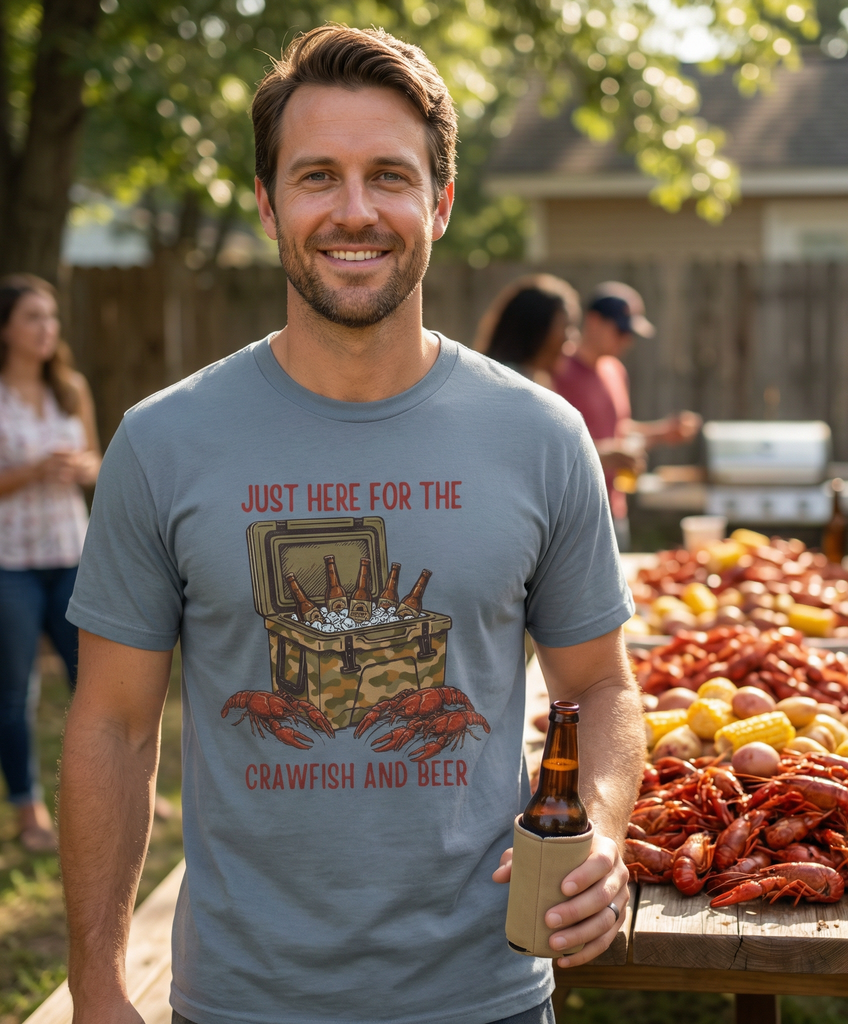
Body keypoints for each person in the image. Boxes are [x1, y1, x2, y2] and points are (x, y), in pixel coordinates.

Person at [59, 25, 645, 1024]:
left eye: (390, 175)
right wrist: (99, 988)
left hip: (486, 993)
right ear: (267, 204)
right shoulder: (163, 442)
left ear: (441, 202)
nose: (355, 209)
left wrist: (599, 829)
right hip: (242, 1001)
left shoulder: (541, 436)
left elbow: (598, 684)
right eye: (317, 175)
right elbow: (111, 725)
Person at [0, 275, 100, 853]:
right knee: (15, 695)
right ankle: (28, 809)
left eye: (52, 317)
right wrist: (33, 471)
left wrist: (80, 468)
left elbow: (95, 460)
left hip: (72, 556)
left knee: (97, 684)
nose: (47, 329)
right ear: (5, 330)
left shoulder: (71, 388)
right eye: (33, 317)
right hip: (9, 564)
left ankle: (117, 789)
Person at [553, 282, 701, 550]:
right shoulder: (557, 371)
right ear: (594, 322)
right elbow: (546, 445)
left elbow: (617, 429)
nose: (627, 340)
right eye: (621, 331)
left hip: (613, 510)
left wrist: (665, 432)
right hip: (571, 516)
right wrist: (601, 454)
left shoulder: (615, 371)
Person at [475, 274, 580, 389]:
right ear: (537, 329)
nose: (571, 337)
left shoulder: (529, 382)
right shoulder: (508, 386)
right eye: (566, 326)